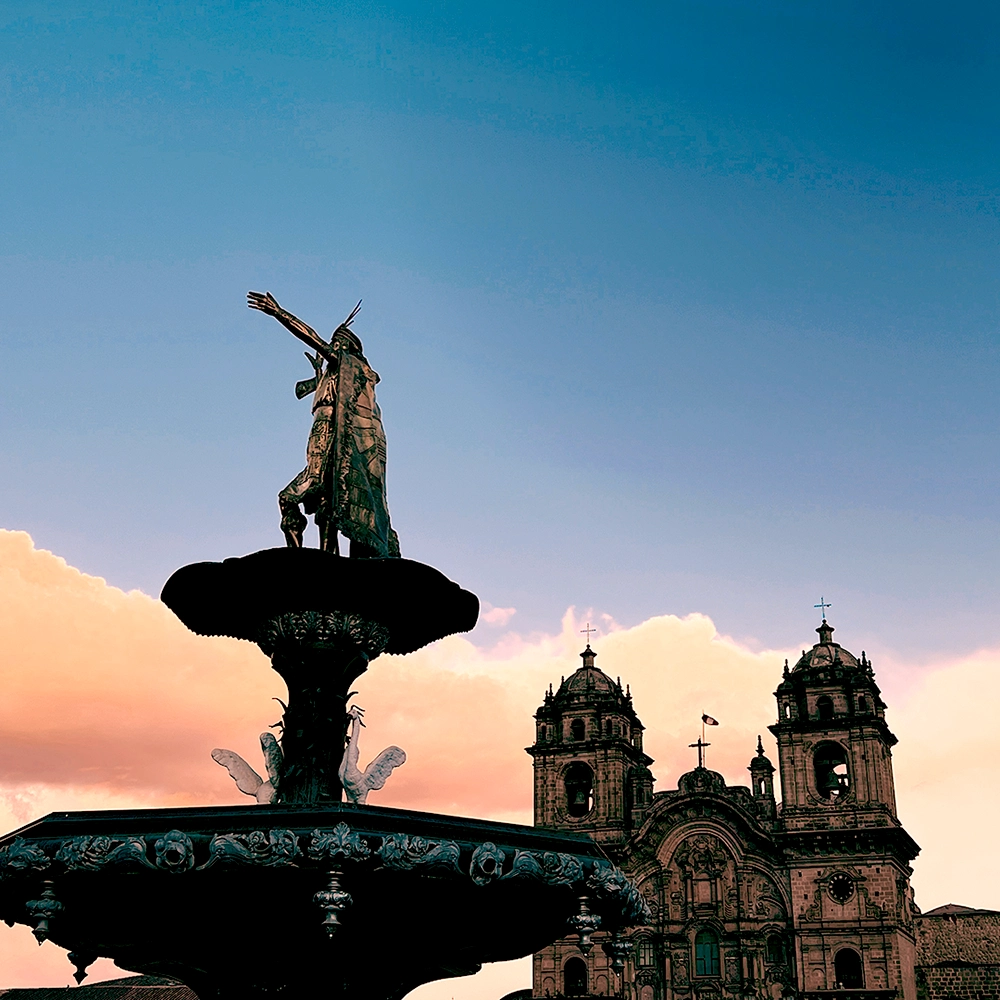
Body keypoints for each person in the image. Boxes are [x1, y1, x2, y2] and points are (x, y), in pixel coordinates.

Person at [247, 291, 400, 557]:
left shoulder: (348, 365)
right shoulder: (334, 374)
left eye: (337, 342)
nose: (333, 347)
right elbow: (302, 389)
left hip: (328, 430)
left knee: (300, 493)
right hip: (320, 429)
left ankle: (300, 557)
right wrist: (318, 377)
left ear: (348, 348)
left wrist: (279, 312)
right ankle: (325, 554)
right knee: (325, 498)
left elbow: (313, 339)